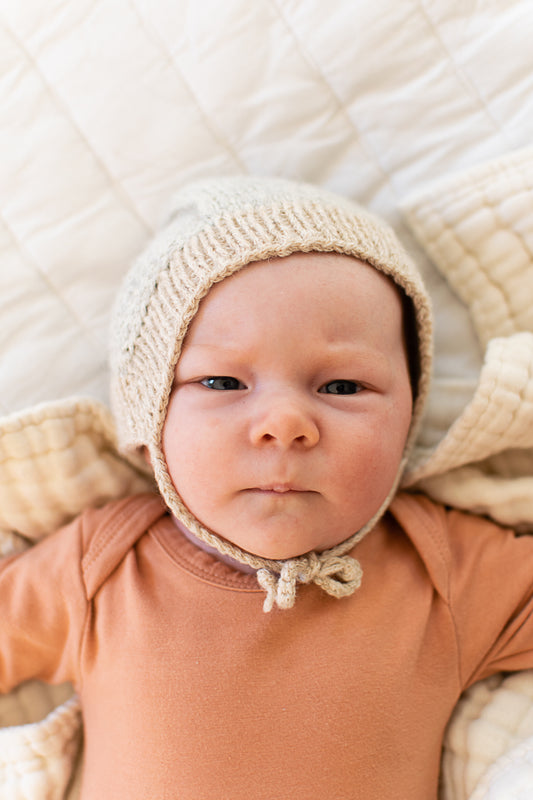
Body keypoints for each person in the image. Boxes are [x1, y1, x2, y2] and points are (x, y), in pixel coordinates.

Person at [2, 175, 533, 799]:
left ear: (408, 420)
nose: (284, 423)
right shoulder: (102, 566)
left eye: (342, 387)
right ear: (149, 418)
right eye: (222, 383)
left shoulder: (442, 569)